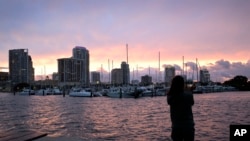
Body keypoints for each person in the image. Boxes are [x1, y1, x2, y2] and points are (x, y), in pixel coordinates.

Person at [167, 75, 195, 141]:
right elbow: (192, 103)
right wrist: (189, 90)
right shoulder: (188, 95)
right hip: (188, 126)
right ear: (183, 84)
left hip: (176, 126)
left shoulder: (170, 96)